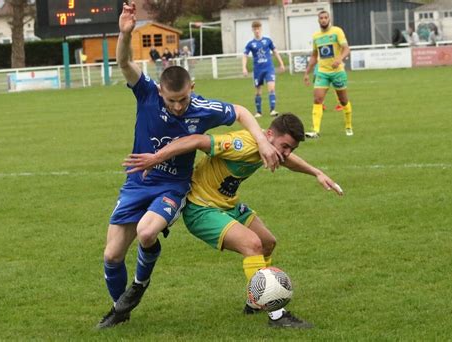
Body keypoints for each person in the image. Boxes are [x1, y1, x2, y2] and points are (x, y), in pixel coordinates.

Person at [97, 1, 280, 329]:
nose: (179, 107)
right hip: (137, 182)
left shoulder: (201, 108)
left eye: (183, 99)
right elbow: (123, 61)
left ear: (191, 89)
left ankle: (139, 284)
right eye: (172, 100)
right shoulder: (147, 94)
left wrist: (263, 140)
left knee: (147, 232)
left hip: (173, 186)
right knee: (111, 255)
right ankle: (119, 309)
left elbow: (240, 111)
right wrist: (125, 33)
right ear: (161, 92)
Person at [123, 113, 344, 329]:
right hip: (202, 208)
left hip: (227, 205)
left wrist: (317, 173)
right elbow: (196, 140)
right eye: (284, 146)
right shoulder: (241, 144)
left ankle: (253, 302)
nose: (286, 153)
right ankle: (277, 315)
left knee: (268, 243)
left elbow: (288, 161)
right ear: (268, 135)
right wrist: (156, 158)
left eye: (291, 149)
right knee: (253, 244)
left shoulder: (269, 148)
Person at [303, 11, 353, 138]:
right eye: (321, 18)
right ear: (318, 20)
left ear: (329, 19)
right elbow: (315, 55)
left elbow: (346, 49)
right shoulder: (316, 36)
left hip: (337, 72)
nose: (324, 20)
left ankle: (348, 126)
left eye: (326, 17)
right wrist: (307, 72)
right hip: (322, 72)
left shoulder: (337, 31)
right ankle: (315, 131)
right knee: (317, 99)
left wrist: (339, 59)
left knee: (343, 100)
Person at [243, 21, 285, 118]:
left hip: (268, 68)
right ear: (253, 30)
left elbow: (275, 52)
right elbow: (245, 55)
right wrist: (244, 67)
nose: (257, 31)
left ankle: (272, 110)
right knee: (258, 92)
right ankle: (258, 112)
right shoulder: (251, 44)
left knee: (271, 88)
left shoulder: (268, 41)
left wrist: (281, 63)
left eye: (258, 29)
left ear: (261, 29)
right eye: (255, 29)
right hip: (258, 70)